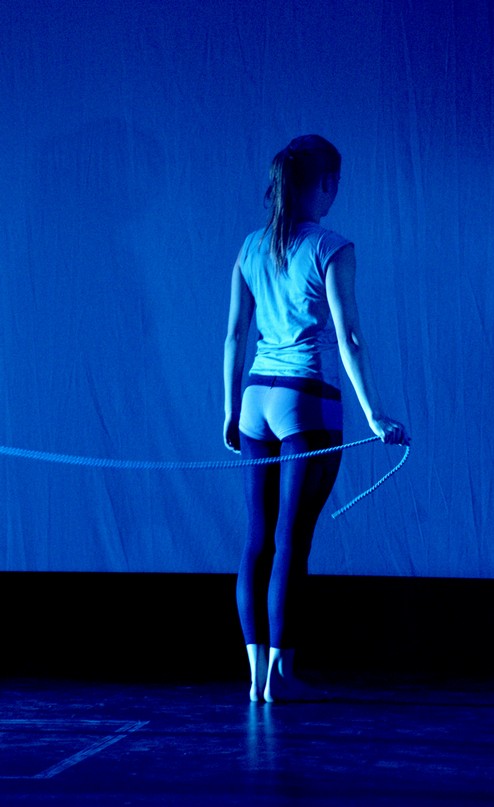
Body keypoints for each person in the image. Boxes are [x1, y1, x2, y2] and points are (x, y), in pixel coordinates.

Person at [223, 135, 410, 702]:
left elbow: (235, 335)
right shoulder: (331, 246)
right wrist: (375, 414)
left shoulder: (251, 246)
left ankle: (255, 676)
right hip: (305, 398)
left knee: (257, 539)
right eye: (336, 184)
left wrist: (229, 410)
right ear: (324, 184)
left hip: (255, 399)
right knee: (290, 541)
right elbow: (349, 337)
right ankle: (280, 678)